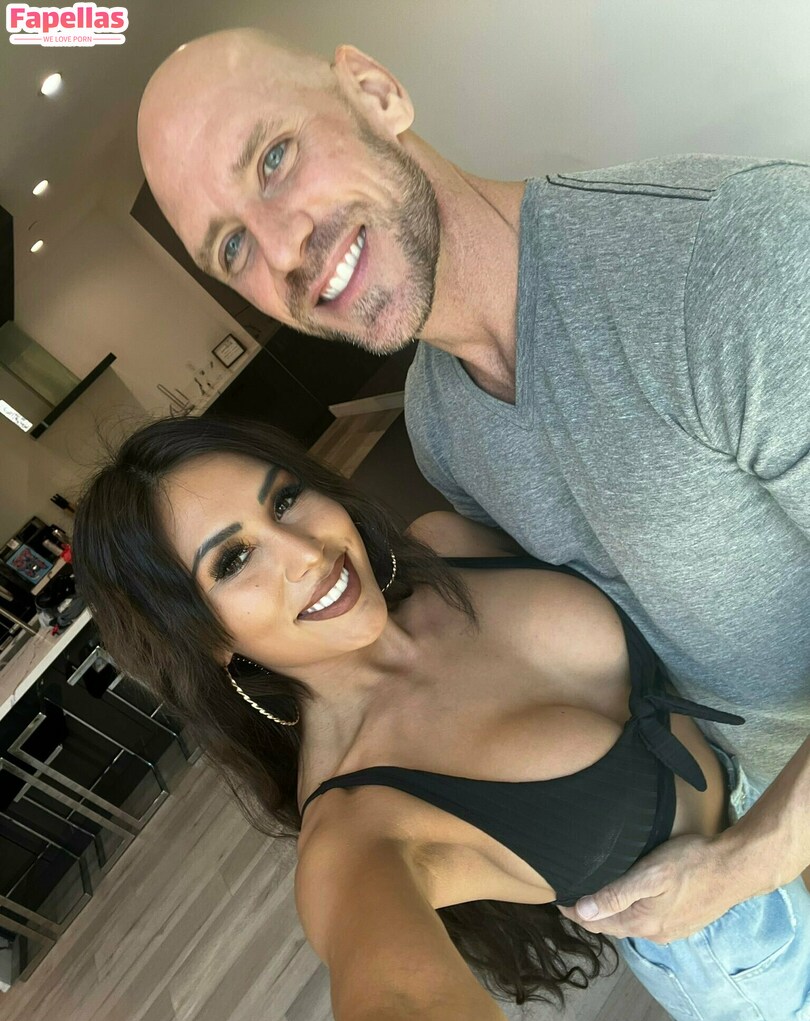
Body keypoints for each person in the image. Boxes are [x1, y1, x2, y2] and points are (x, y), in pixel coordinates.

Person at [135, 28, 810, 946]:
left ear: (376, 94)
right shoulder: (440, 427)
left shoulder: (731, 261)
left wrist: (750, 862)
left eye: (275, 158)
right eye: (230, 249)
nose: (282, 249)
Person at [72, 414, 809, 1021]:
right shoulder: (356, 825)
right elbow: (401, 1013)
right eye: (234, 561)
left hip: (780, 784)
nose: (306, 553)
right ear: (203, 640)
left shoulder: (444, 546)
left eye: (286, 499)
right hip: (744, 951)